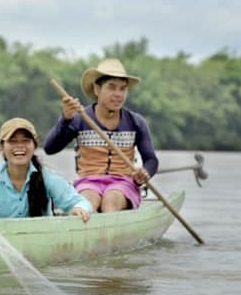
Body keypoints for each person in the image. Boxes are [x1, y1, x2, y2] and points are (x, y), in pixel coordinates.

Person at [43, 58, 158, 213]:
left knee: (110, 201)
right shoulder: (80, 119)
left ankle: (110, 233)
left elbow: (151, 159)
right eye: (112, 87)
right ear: (97, 90)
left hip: (123, 183)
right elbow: (50, 148)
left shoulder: (136, 122)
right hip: (88, 182)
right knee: (87, 203)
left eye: (123, 89)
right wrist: (65, 119)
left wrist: (145, 173)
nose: (118, 94)